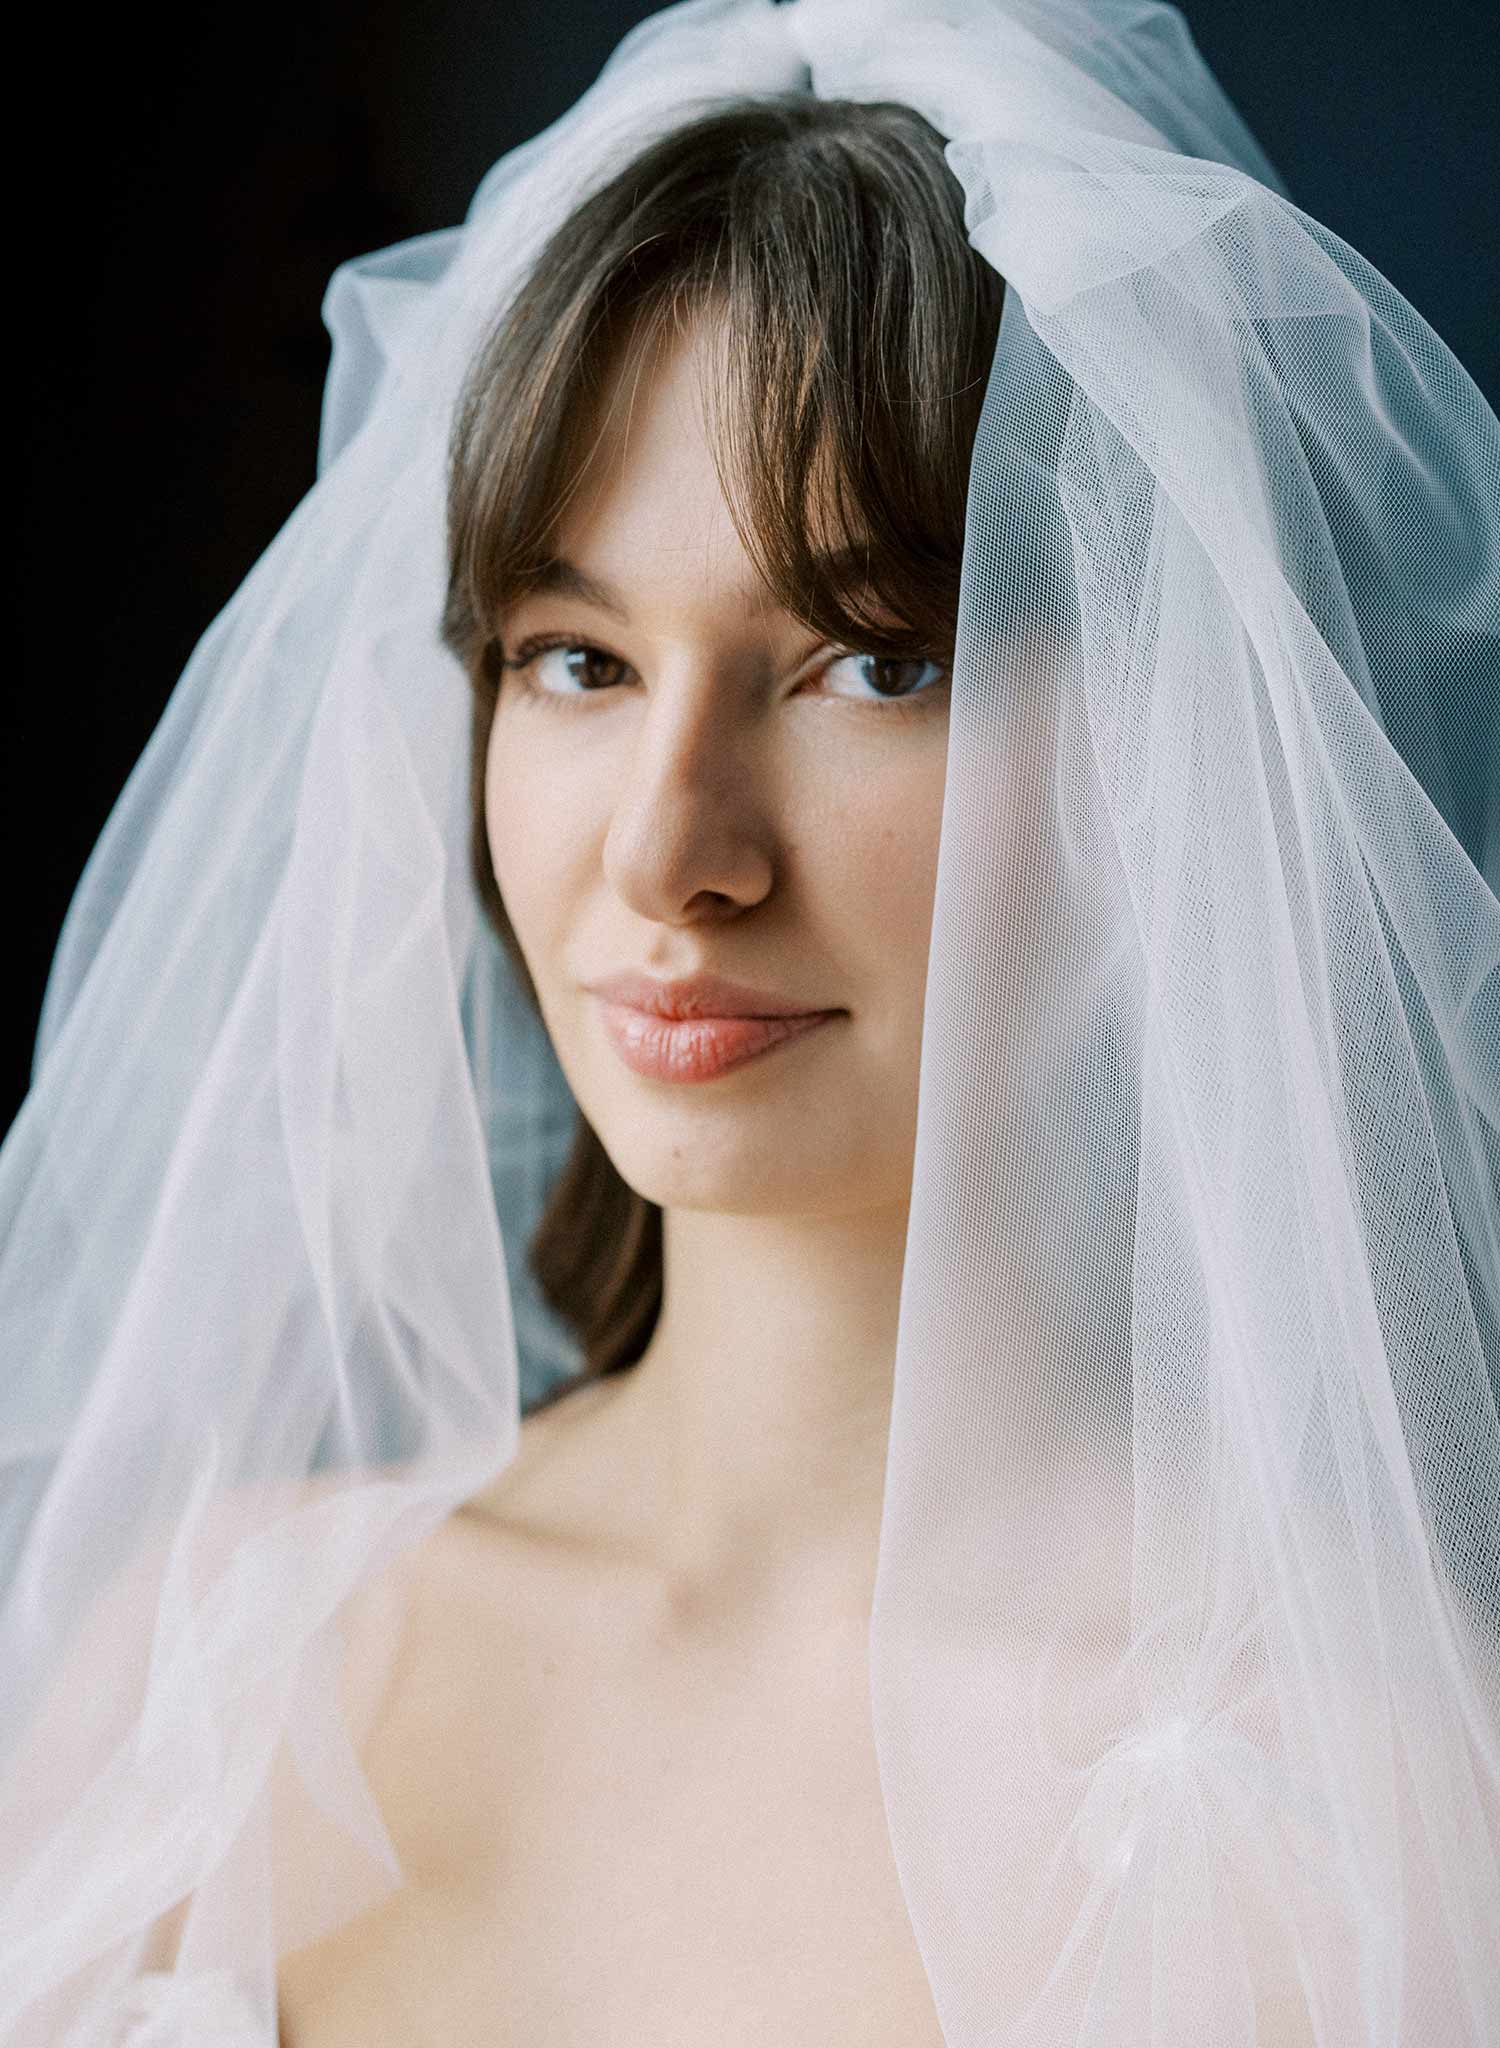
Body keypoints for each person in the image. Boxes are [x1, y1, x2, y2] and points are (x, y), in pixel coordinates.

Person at [3, 2, 1497, 2044]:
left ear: (1160, 748)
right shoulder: (200, 1668)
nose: (674, 855)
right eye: (577, 661)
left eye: (873, 665)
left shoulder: (1377, 1808)